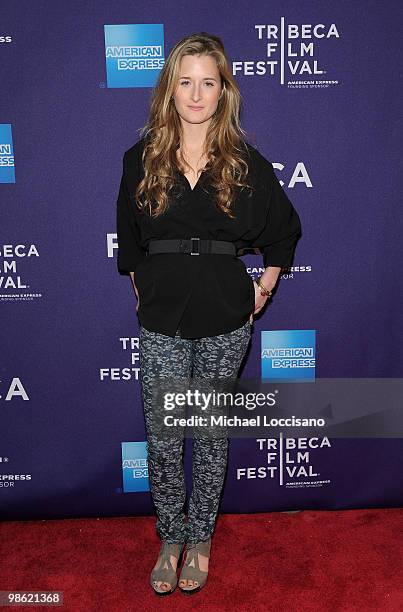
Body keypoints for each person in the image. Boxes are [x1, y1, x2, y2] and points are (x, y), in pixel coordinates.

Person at [116, 32, 302, 596]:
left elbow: (284, 232)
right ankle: (170, 538)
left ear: (223, 93)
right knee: (166, 434)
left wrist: (262, 290)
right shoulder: (140, 158)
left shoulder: (245, 162)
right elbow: (129, 241)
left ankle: (201, 539)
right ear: (170, 90)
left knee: (212, 433)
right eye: (186, 82)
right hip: (163, 312)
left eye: (209, 83)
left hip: (226, 310)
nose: (197, 94)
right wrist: (141, 287)